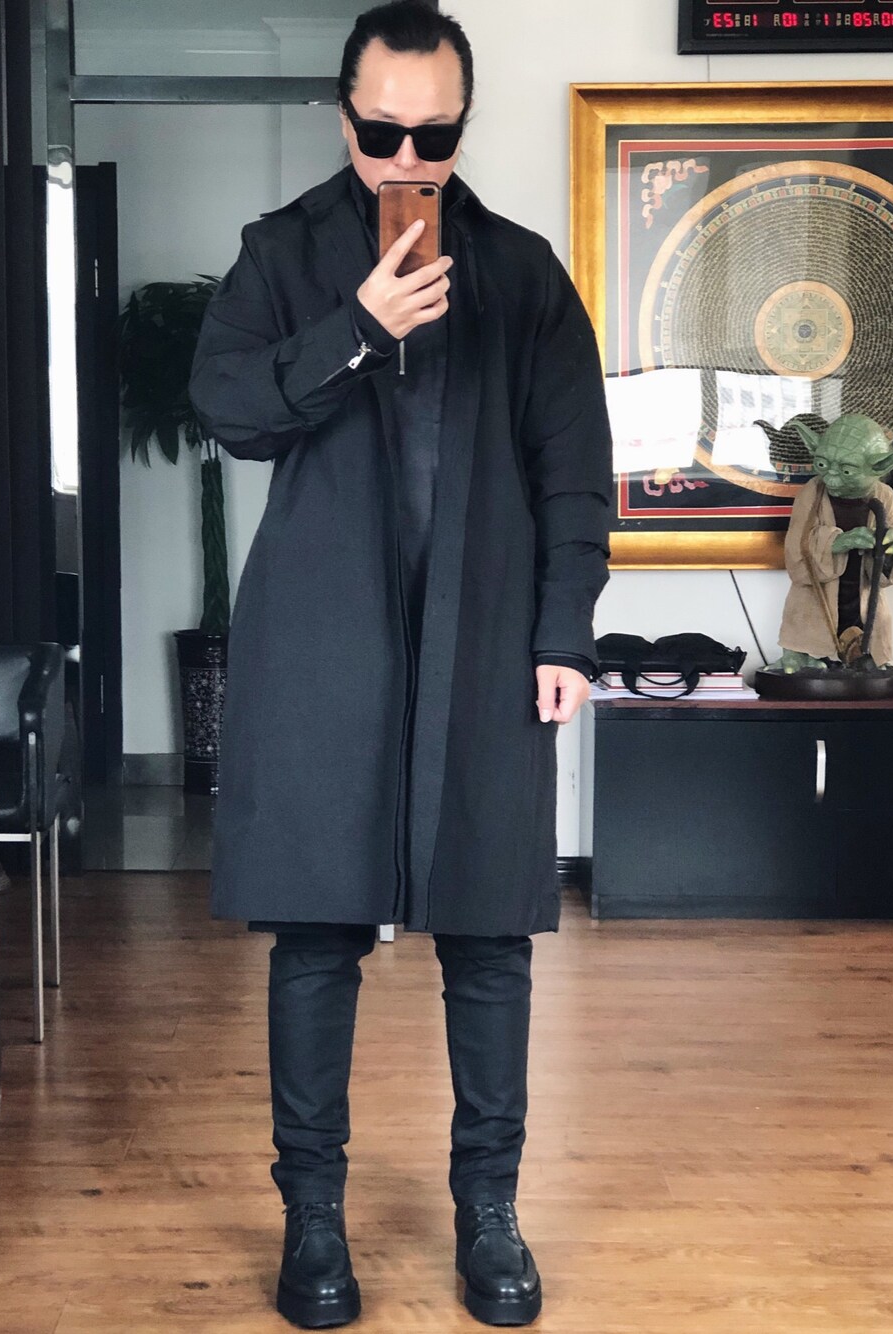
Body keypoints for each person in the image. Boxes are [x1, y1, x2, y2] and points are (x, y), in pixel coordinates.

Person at [189, 2, 612, 1326]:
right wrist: (358, 326)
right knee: (315, 935)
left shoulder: (524, 273)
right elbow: (228, 408)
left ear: (463, 127)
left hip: (485, 645)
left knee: (488, 937)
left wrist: (564, 633)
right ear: (344, 117)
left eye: (436, 134)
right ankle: (312, 1218)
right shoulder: (280, 255)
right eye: (384, 133)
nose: (408, 158)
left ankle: (490, 1212)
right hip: (325, 643)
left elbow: (575, 472)